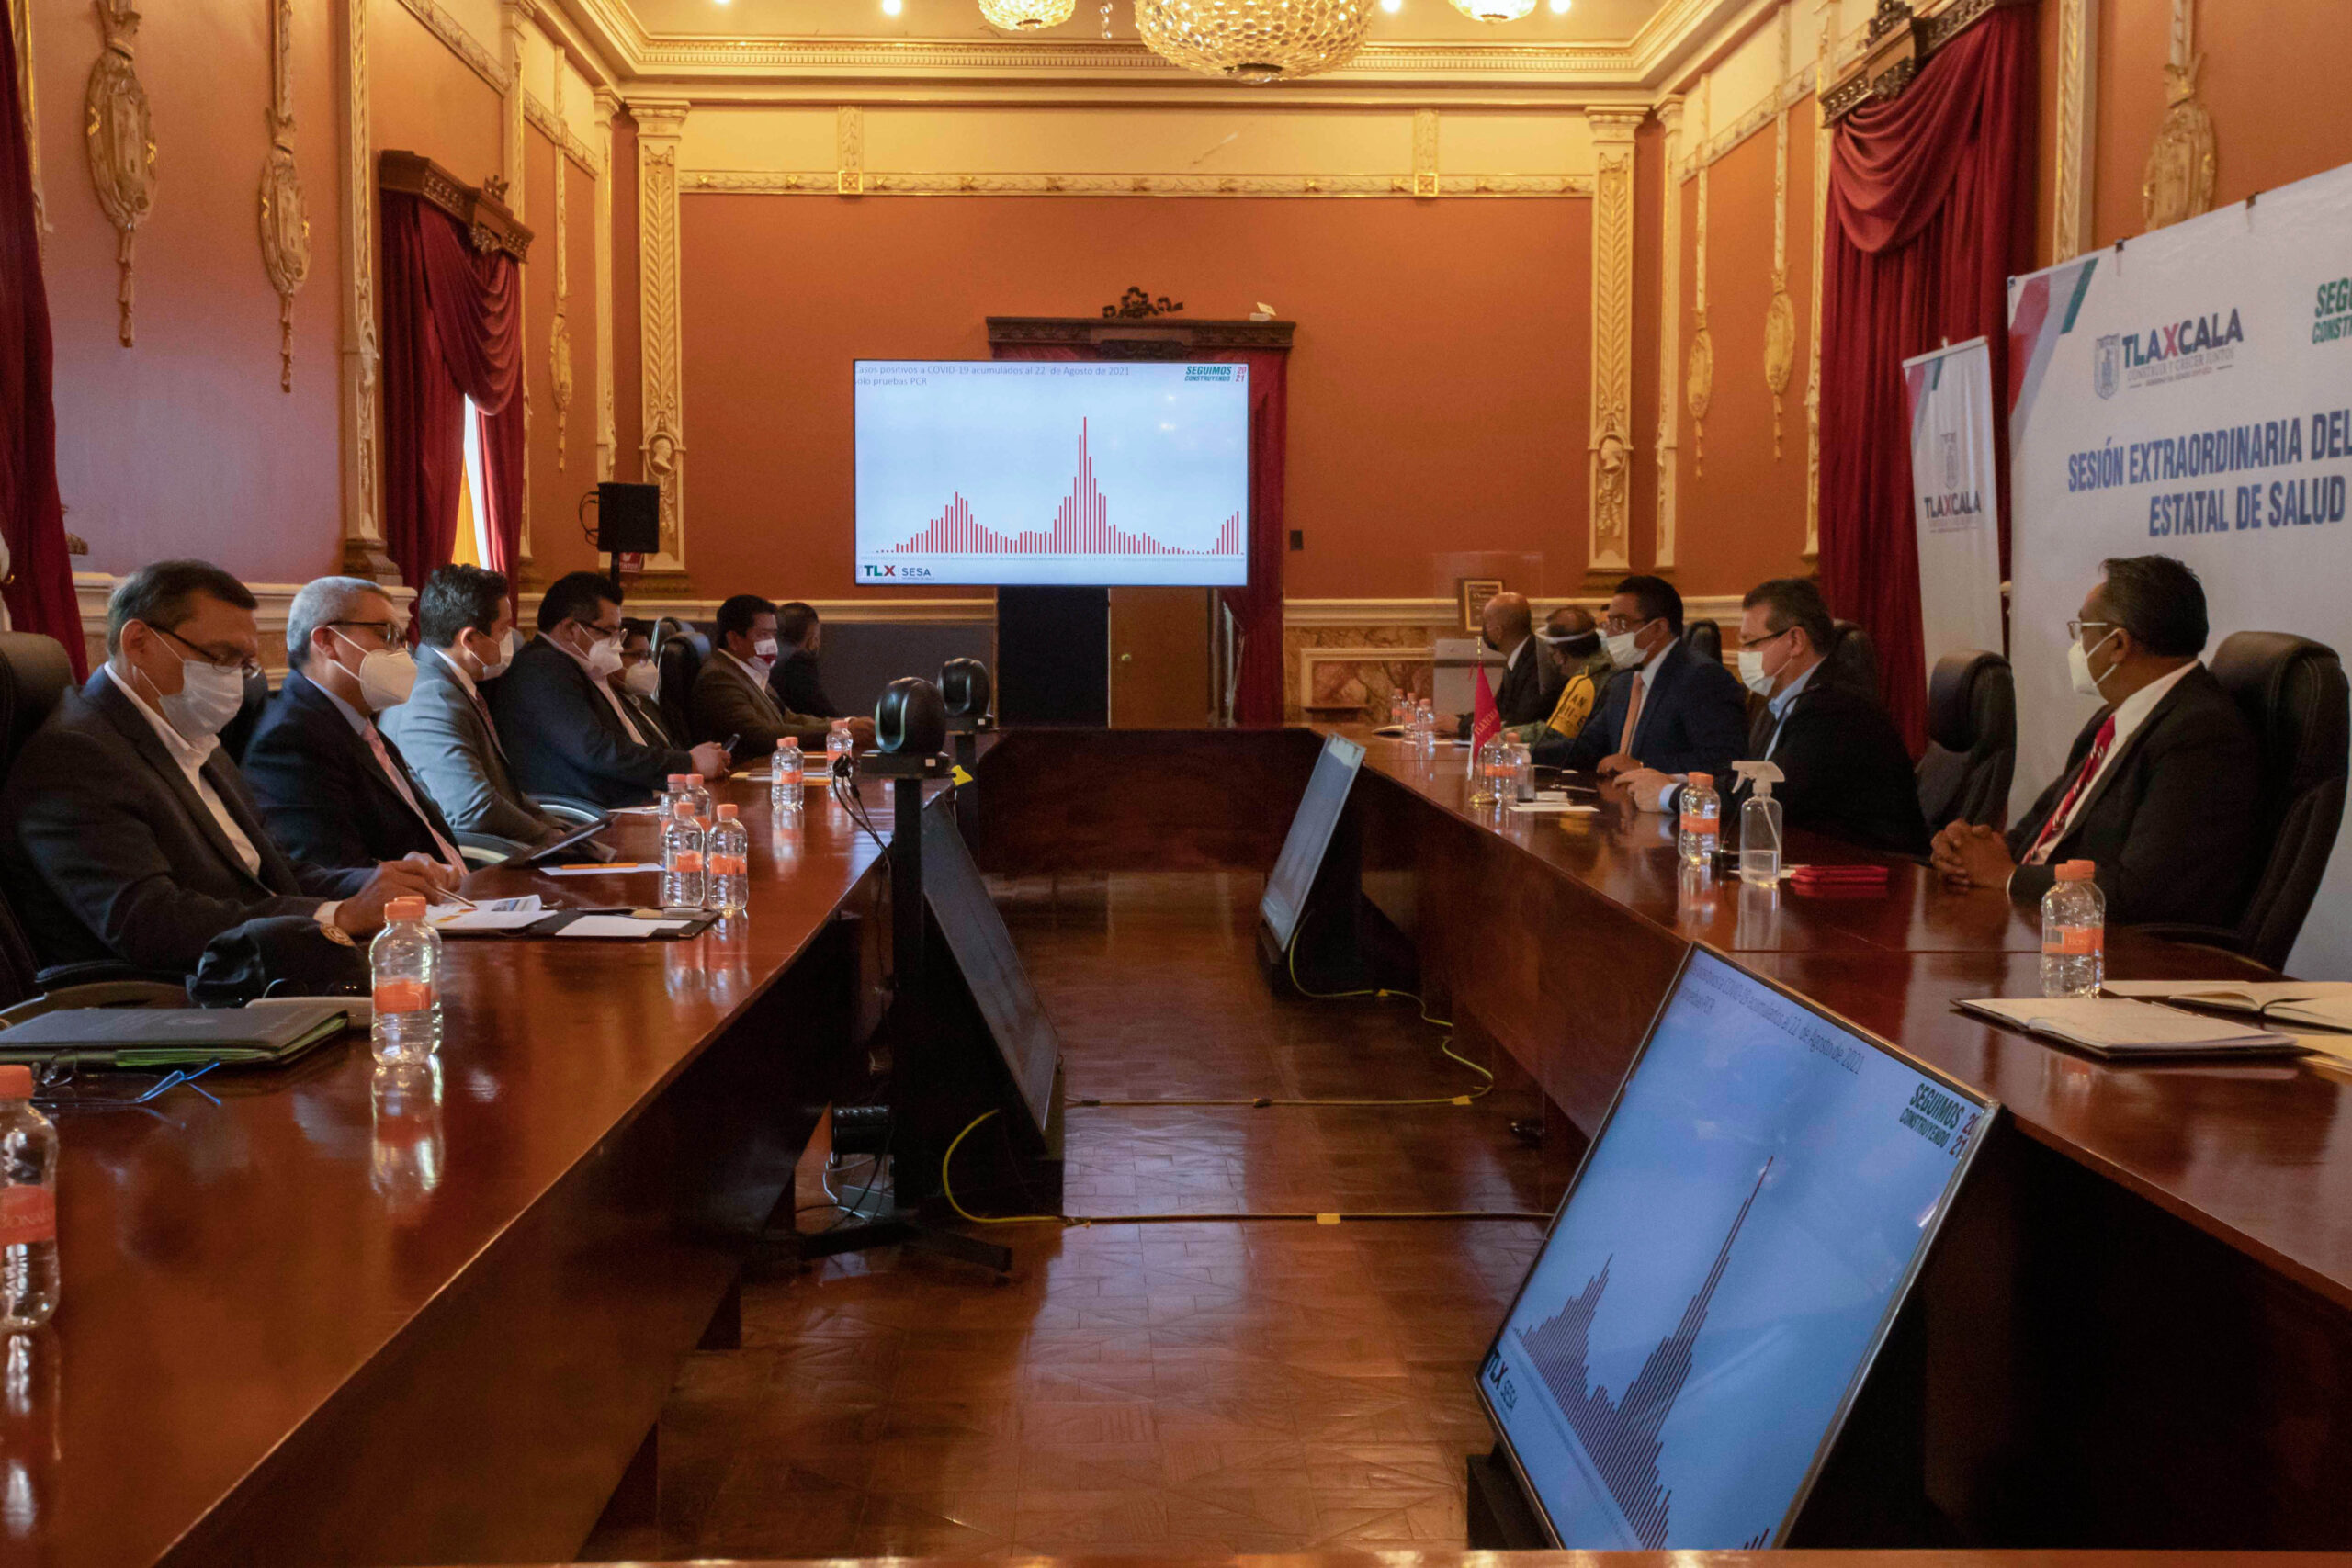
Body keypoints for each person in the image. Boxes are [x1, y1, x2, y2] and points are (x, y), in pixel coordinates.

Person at [0, 560, 446, 975]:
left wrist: (377, 882)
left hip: (261, 967)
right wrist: (340, 916)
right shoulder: (75, 755)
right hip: (176, 999)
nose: (234, 678)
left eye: (244, 663)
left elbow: (274, 871)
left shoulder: (190, 730)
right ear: (138, 642)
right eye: (220, 657)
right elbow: (150, 922)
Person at [1931, 554, 2260, 925]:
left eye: (2082, 628)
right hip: (2034, 923)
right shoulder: (2112, 719)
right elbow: (2039, 830)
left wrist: (2006, 877)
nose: (2078, 644)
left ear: (2118, 644)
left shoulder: (2201, 735)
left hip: (2105, 948)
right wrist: (1967, 852)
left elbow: (2140, 892)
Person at [1614, 578, 1930, 857]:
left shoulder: (1835, 708)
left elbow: (1769, 797)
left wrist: (1668, 795)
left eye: (1750, 643)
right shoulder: (1778, 702)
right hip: (1808, 858)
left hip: (1869, 871)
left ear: (1794, 641)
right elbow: (1747, 777)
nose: (1742, 655)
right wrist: (1679, 780)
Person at [242, 576, 473, 877]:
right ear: (327, 641)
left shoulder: (359, 725)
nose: (402, 653)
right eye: (386, 635)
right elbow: (335, 875)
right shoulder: (290, 740)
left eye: (402, 639)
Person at [491, 570, 729, 809]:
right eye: (608, 632)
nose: (617, 644)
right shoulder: (541, 668)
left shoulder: (583, 668)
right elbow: (595, 750)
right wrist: (688, 764)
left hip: (627, 801)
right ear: (571, 629)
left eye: (619, 633)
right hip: (587, 813)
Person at [379, 563, 567, 850]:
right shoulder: (433, 697)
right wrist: (550, 839)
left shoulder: (447, 684)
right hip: (479, 859)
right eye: (503, 629)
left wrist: (562, 830)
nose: (509, 638)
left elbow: (504, 793)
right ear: (470, 639)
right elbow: (473, 809)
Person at [1533, 574, 1745, 779]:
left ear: (1658, 628)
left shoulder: (1702, 678)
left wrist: (1643, 766)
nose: (1610, 633)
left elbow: (1724, 760)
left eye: (1621, 623)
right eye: (1608, 623)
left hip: (1666, 801)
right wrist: (1524, 754)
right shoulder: (1624, 680)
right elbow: (1587, 747)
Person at [693, 594, 835, 762]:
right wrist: (834, 732)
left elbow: (787, 717)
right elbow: (761, 736)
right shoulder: (719, 678)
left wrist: (844, 725)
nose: (772, 643)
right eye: (763, 635)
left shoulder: (750, 669)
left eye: (773, 635)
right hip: (743, 771)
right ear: (734, 639)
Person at [1510, 605, 1613, 747]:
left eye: (1552, 654)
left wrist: (1507, 735)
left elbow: (1554, 734)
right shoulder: (1607, 667)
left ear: (1560, 655)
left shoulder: (1584, 681)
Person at [1453, 591, 1548, 738]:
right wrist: (1461, 720)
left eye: (1485, 623)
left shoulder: (1538, 663)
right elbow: (1494, 711)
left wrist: (1461, 726)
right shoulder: (1520, 656)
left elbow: (1517, 723)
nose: (1483, 630)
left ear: (1498, 632)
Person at [768, 601, 842, 720]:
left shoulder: (769, 657)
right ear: (812, 637)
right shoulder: (799, 662)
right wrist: (848, 724)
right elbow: (823, 711)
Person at [615, 619, 679, 748]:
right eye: (637, 655)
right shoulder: (610, 710)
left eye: (648, 655)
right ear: (613, 656)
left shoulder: (646, 703)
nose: (646, 663)